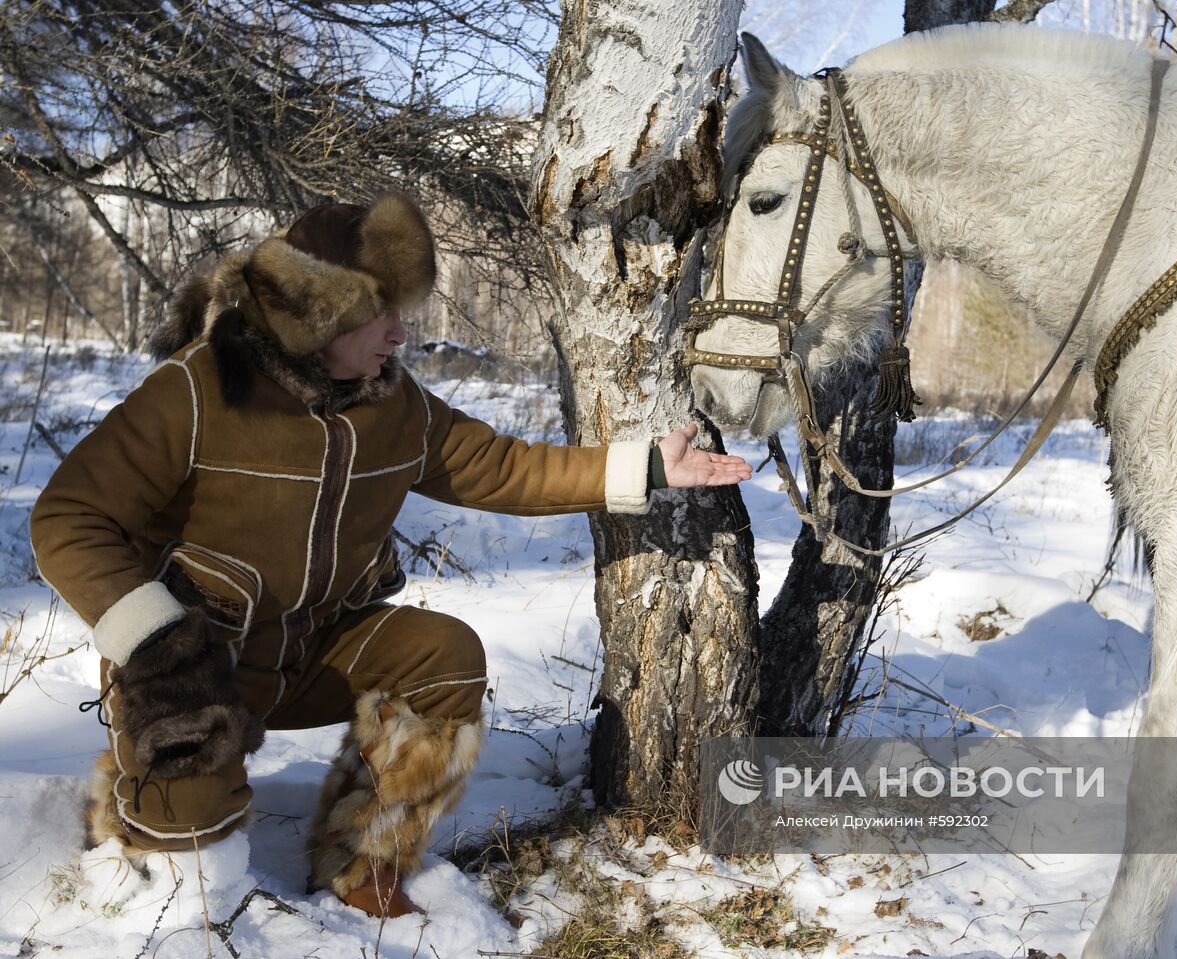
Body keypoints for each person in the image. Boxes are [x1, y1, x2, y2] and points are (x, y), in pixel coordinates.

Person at [29, 192, 751, 919]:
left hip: (313, 653)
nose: (401, 335)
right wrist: (156, 643)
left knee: (444, 653)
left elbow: (500, 466)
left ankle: (363, 857)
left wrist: (648, 468)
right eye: (384, 315)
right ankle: (138, 807)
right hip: (195, 672)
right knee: (184, 873)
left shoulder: (393, 406)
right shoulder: (199, 389)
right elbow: (67, 517)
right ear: (321, 315)